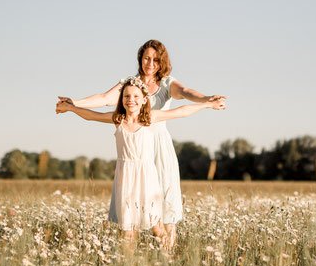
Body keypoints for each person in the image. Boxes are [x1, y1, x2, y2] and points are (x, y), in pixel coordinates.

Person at [57, 39, 226, 248]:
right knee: (131, 209)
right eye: (147, 58)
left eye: (156, 59)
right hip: (132, 147)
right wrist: (75, 103)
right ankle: (131, 261)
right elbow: (103, 99)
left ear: (162, 61)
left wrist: (206, 100)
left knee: (165, 204)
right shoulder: (130, 85)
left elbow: (185, 94)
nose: (151, 63)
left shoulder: (166, 83)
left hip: (158, 147)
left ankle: (168, 255)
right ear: (140, 59)